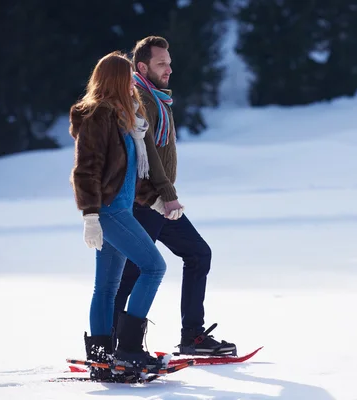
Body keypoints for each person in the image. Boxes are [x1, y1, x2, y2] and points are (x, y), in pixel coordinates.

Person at [113, 36, 236, 355]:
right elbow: (147, 151)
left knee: (196, 254)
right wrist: (165, 195)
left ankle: (191, 336)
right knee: (132, 273)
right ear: (142, 67)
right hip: (145, 201)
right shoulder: (142, 99)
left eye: (169, 62)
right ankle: (112, 345)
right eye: (161, 64)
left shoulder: (157, 98)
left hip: (157, 202)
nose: (169, 69)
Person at [69, 51, 167, 381]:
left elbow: (125, 174)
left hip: (120, 207)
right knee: (154, 267)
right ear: (113, 80)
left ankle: (101, 357)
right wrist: (90, 216)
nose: (132, 85)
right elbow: (87, 170)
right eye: (127, 78)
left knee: (107, 288)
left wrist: (152, 200)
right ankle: (128, 349)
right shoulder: (98, 116)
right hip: (108, 211)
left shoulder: (125, 119)